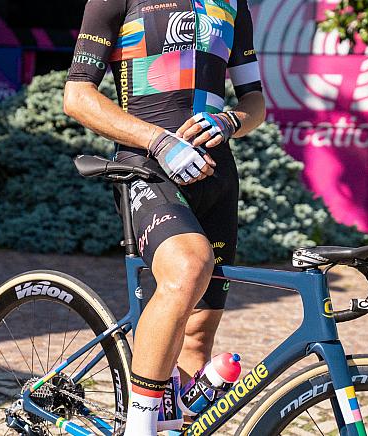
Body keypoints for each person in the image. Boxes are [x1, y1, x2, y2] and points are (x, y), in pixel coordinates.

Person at [64, 0, 264, 434]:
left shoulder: (233, 3)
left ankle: (170, 427)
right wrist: (159, 141)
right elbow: (77, 96)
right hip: (147, 167)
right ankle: (140, 426)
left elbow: (255, 101)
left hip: (216, 179)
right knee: (189, 268)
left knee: (197, 337)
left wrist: (231, 121)